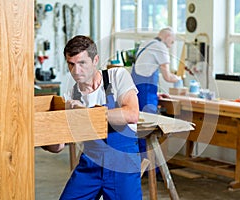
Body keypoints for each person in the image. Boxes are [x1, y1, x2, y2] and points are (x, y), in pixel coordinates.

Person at [49, 35, 142, 200]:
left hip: (122, 163)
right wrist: (45, 128)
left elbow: (131, 114)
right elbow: (58, 147)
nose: (76, 71)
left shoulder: (117, 77)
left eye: (82, 63)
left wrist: (86, 113)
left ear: (95, 60)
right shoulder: (70, 96)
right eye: (71, 64)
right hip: (90, 165)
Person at [131, 27, 181, 179]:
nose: (171, 45)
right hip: (145, 93)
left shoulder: (146, 43)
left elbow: (144, 71)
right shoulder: (160, 47)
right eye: (171, 41)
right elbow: (167, 76)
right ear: (166, 37)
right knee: (149, 130)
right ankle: (152, 170)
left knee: (139, 128)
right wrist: (180, 79)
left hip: (138, 91)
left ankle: (140, 165)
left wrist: (155, 92)